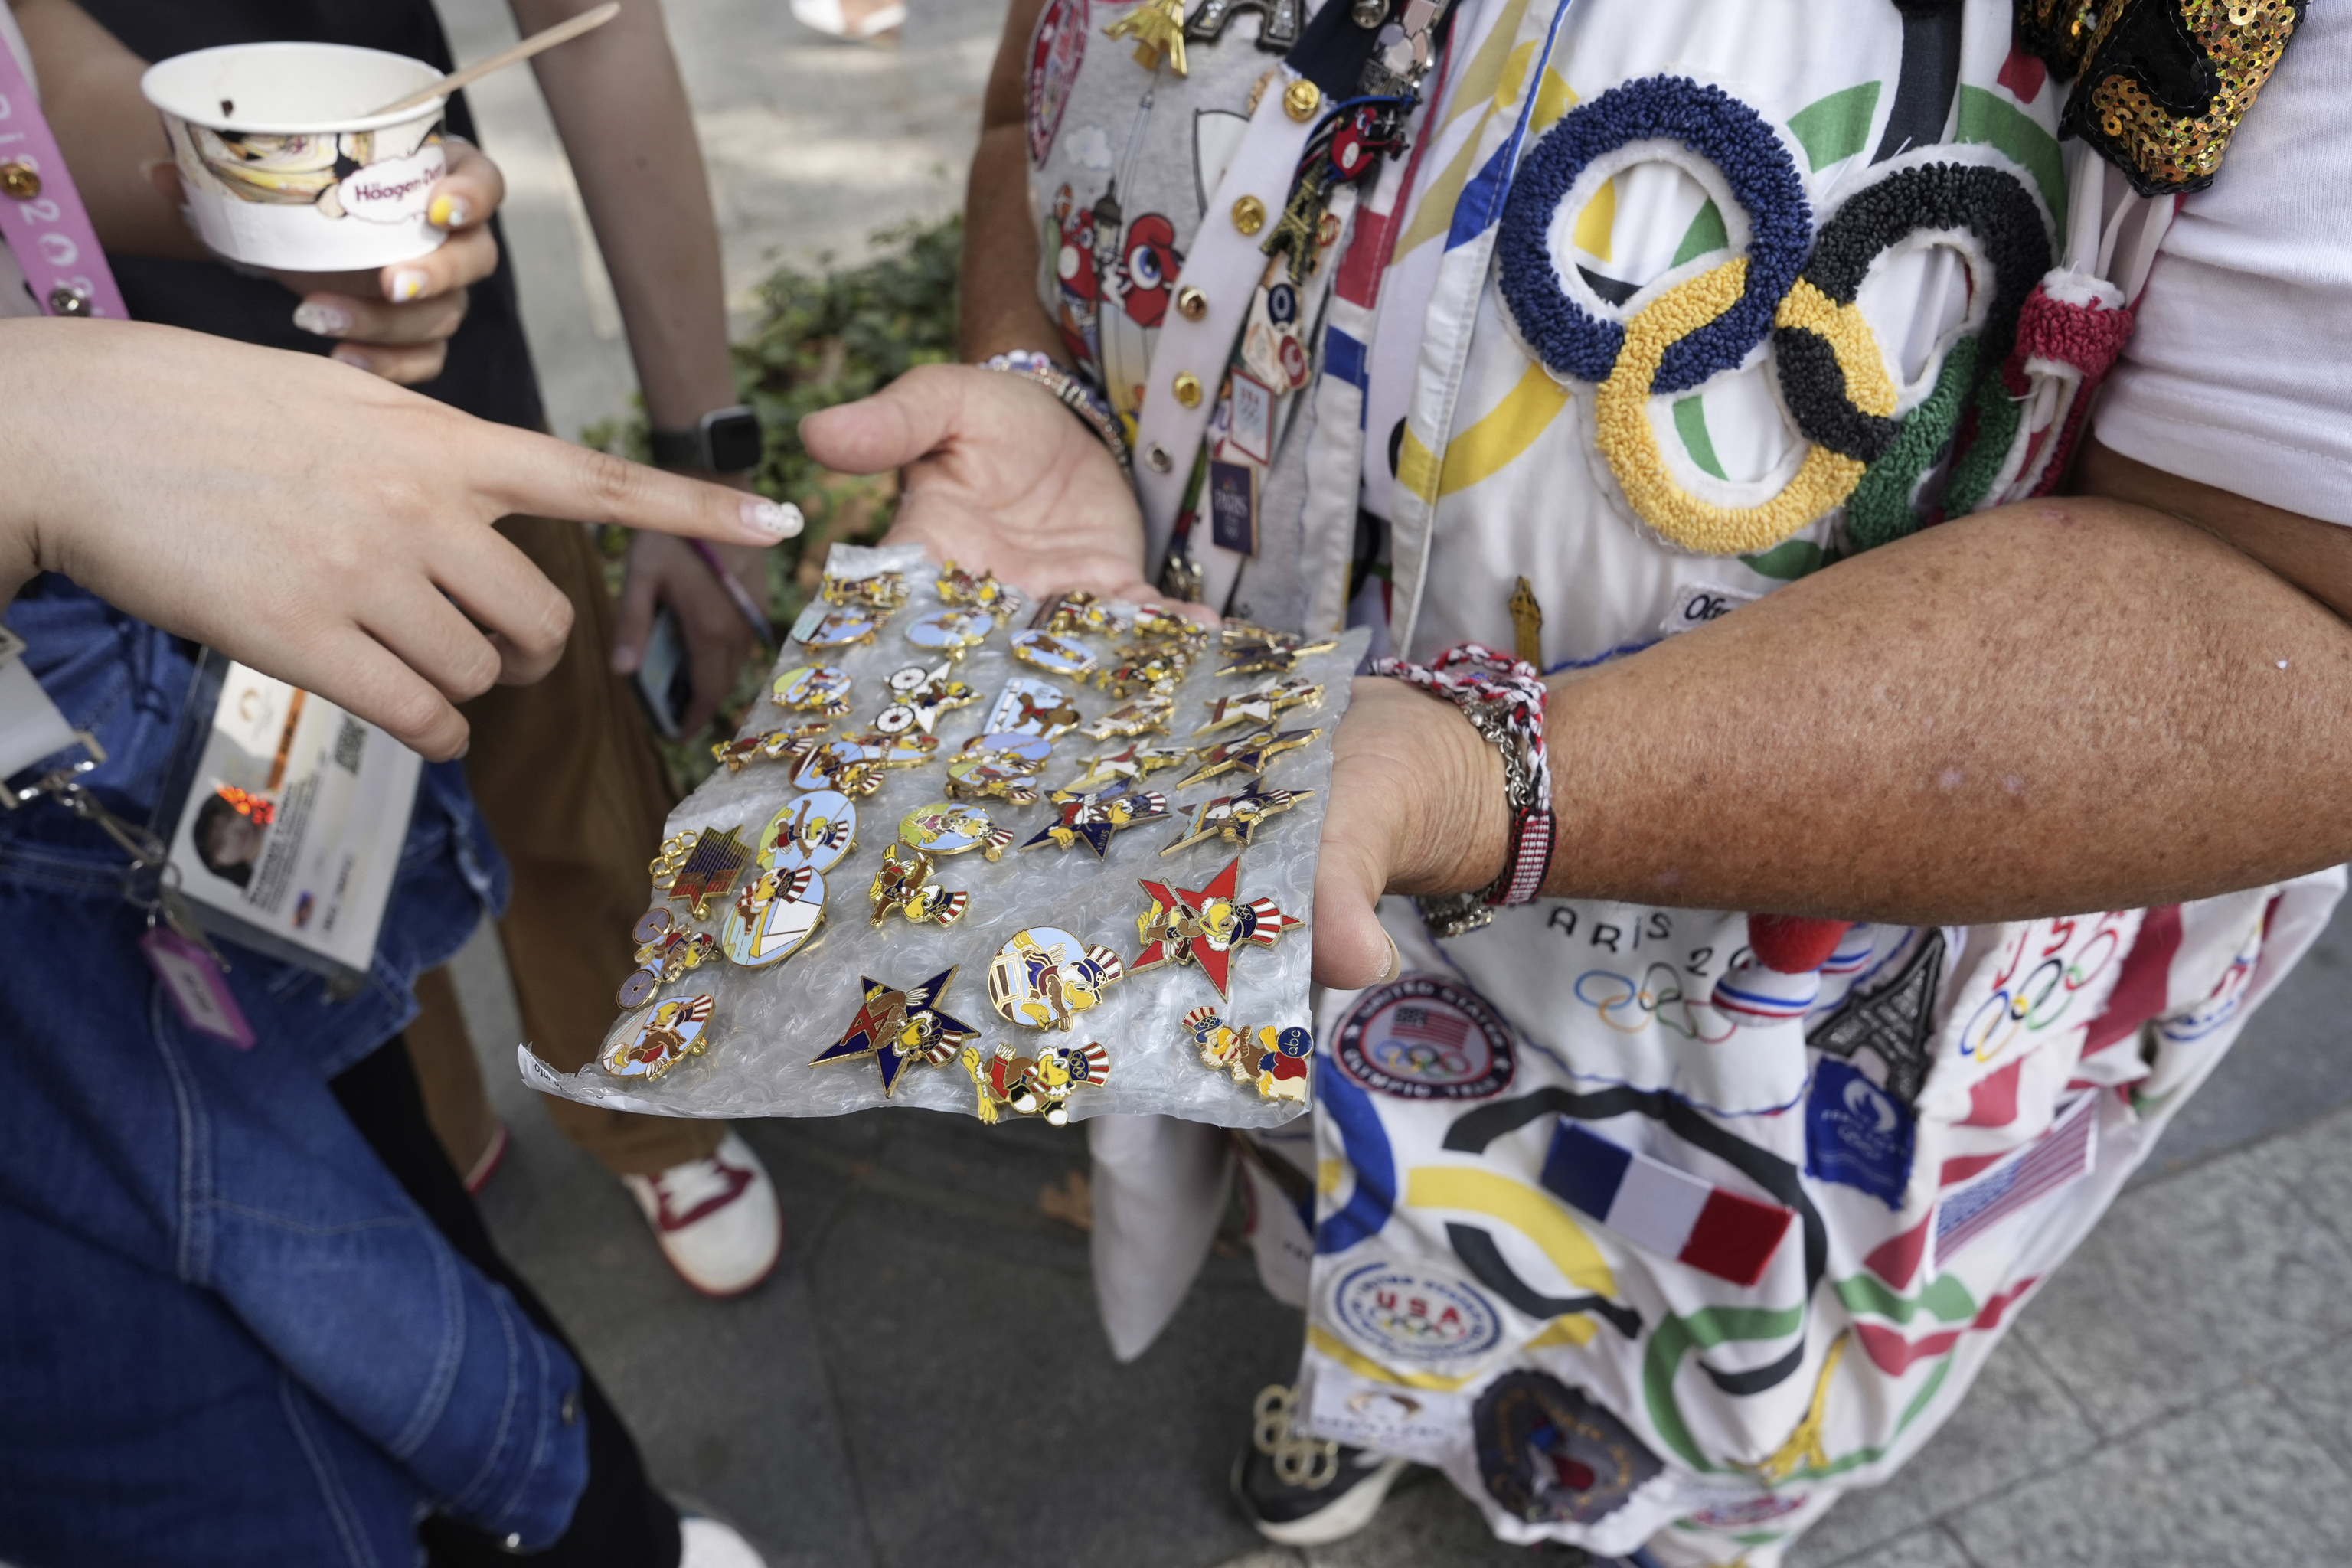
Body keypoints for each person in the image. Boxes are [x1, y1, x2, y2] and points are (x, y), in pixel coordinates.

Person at [802, 0, 2352, 1558]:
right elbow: (1043, 94)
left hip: (1774, 1011)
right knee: (1321, 1170)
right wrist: (1041, 371)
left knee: (1705, 1348)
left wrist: (1486, 778)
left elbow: (2304, 621)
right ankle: (1375, 1385)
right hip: (1270, 837)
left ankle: (1678, 1508)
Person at [21, 0, 787, 1294]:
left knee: (565, 803)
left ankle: (642, 1109)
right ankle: (434, 1128)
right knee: (313, 878)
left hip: (455, 412)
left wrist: (295, 201)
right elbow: (39, 82)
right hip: (158, 532)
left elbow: (598, 29)